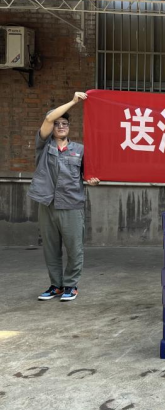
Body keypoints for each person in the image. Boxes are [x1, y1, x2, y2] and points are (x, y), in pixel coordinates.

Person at [29, 92, 100, 301]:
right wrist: (73, 102)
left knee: (74, 248)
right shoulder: (44, 145)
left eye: (65, 124)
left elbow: (87, 175)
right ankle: (56, 285)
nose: (61, 126)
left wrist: (92, 181)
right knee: (51, 248)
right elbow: (48, 118)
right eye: (57, 124)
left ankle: (70, 285)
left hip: (71, 205)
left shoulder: (80, 150)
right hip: (47, 203)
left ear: (69, 127)